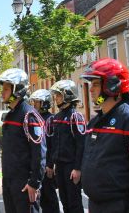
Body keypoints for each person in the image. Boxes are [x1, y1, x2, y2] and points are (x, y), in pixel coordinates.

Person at [80, 58, 129, 212]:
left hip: (120, 206)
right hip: (96, 205)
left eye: (96, 84)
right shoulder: (95, 122)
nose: (90, 89)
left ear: (111, 86)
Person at [0, 68, 46, 213]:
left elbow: (39, 153)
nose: (2, 92)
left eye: (6, 89)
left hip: (24, 183)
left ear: (17, 90)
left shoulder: (29, 115)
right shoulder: (11, 115)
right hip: (9, 180)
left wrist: (34, 183)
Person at [49, 80, 86, 213]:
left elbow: (81, 144)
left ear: (68, 95)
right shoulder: (57, 117)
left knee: (74, 202)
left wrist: (77, 168)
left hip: (71, 166)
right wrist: (51, 164)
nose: (56, 98)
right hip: (60, 166)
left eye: (59, 95)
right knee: (64, 201)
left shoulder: (76, 116)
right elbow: (54, 143)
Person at [29, 89, 60, 213]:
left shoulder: (50, 120)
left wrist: (50, 164)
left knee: (50, 197)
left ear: (44, 103)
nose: (34, 105)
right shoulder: (35, 118)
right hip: (38, 165)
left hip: (47, 165)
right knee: (41, 198)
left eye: (37, 102)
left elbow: (53, 144)